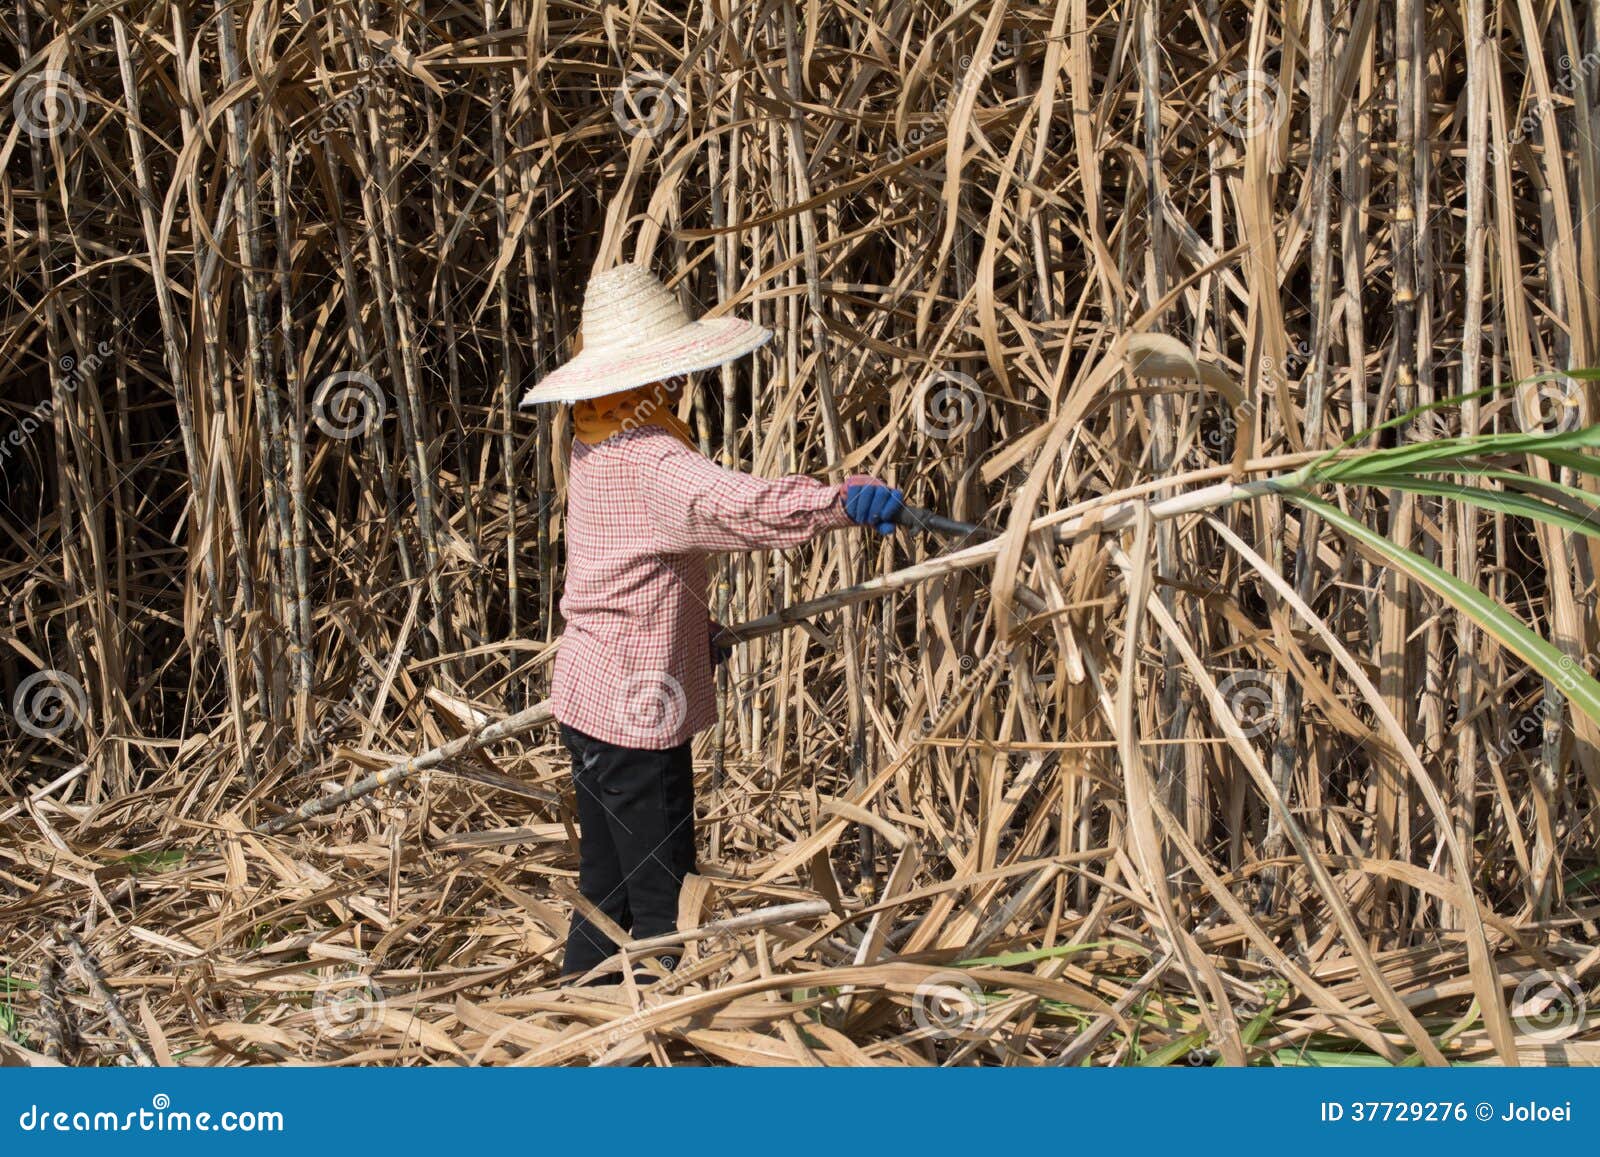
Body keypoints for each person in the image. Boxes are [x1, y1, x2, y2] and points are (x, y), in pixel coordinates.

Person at [519, 262, 904, 983]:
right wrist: (840, 503)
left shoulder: (594, 435)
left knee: (606, 892)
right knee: (668, 903)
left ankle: (573, 1026)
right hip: (637, 718)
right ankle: (663, 1048)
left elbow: (627, 565)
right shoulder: (652, 457)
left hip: (589, 695)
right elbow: (740, 506)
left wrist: (696, 630)